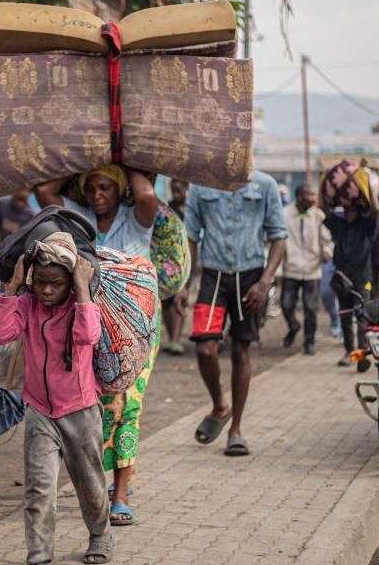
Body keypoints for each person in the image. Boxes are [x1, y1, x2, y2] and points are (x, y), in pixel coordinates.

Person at [35, 164, 158, 526]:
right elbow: (45, 193)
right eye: (91, 189)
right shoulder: (79, 220)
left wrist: (125, 157)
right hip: (88, 319)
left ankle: (119, 493)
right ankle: (100, 482)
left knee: (127, 404)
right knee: (93, 403)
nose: (97, 195)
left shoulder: (137, 219)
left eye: (106, 188)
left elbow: (147, 194)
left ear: (121, 190)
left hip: (136, 325)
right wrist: (83, 158)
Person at [0, 233, 113, 565]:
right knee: (39, 489)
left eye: (55, 284)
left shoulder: (80, 306)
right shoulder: (28, 304)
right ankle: (39, 554)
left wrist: (82, 289)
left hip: (81, 410)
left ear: (69, 282)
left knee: (90, 485)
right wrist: (13, 288)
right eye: (40, 282)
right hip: (39, 411)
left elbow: (89, 336)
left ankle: (99, 533)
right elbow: (0, 335)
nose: (46, 290)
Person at [185, 171, 287, 457]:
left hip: (251, 278)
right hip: (213, 278)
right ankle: (220, 405)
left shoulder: (265, 184)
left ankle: (236, 430)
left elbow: (279, 237)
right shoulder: (200, 184)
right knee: (205, 349)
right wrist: (184, 284)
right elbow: (190, 238)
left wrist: (265, 281)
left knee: (241, 351)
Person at [280, 184, 332, 355]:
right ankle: (293, 326)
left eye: (314, 194)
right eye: (309, 194)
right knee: (286, 304)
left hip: (312, 270)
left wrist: (326, 251)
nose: (313, 198)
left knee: (311, 308)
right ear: (299, 196)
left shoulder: (318, 216)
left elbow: (327, 240)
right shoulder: (284, 215)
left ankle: (309, 342)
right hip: (291, 268)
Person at [324, 205, 377, 367]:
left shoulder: (367, 226)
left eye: (352, 209)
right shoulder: (340, 225)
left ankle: (362, 352)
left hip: (363, 279)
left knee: (362, 314)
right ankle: (349, 351)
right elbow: (325, 210)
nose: (349, 213)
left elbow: (374, 210)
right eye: (346, 210)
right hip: (342, 277)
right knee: (345, 316)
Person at [161, 177, 190, 356]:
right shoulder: (167, 209)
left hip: (187, 259)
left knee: (181, 297)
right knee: (166, 301)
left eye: (180, 190)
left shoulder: (193, 209)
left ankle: (177, 339)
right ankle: (172, 338)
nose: (176, 194)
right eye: (174, 190)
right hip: (168, 258)